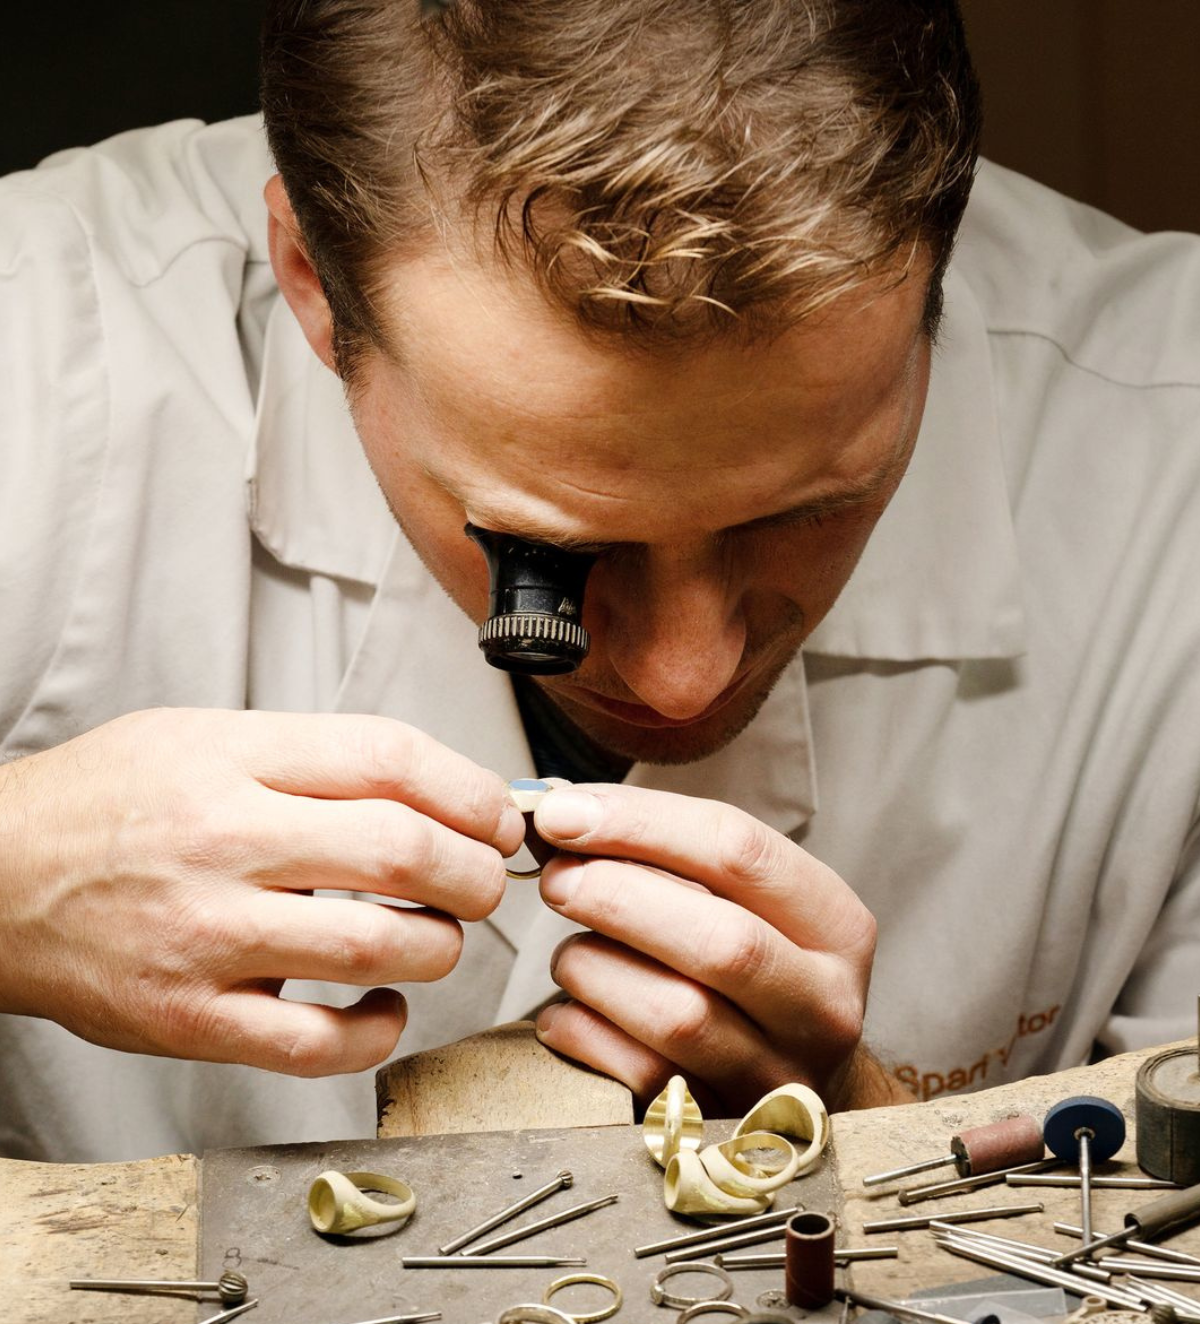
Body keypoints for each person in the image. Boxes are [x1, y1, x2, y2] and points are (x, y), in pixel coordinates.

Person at [1, 0, 1197, 1165]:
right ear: (314, 286)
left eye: (808, 514)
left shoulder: (1171, 451)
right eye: (547, 546)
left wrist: (877, 1143)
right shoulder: (38, 351)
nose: (684, 680)